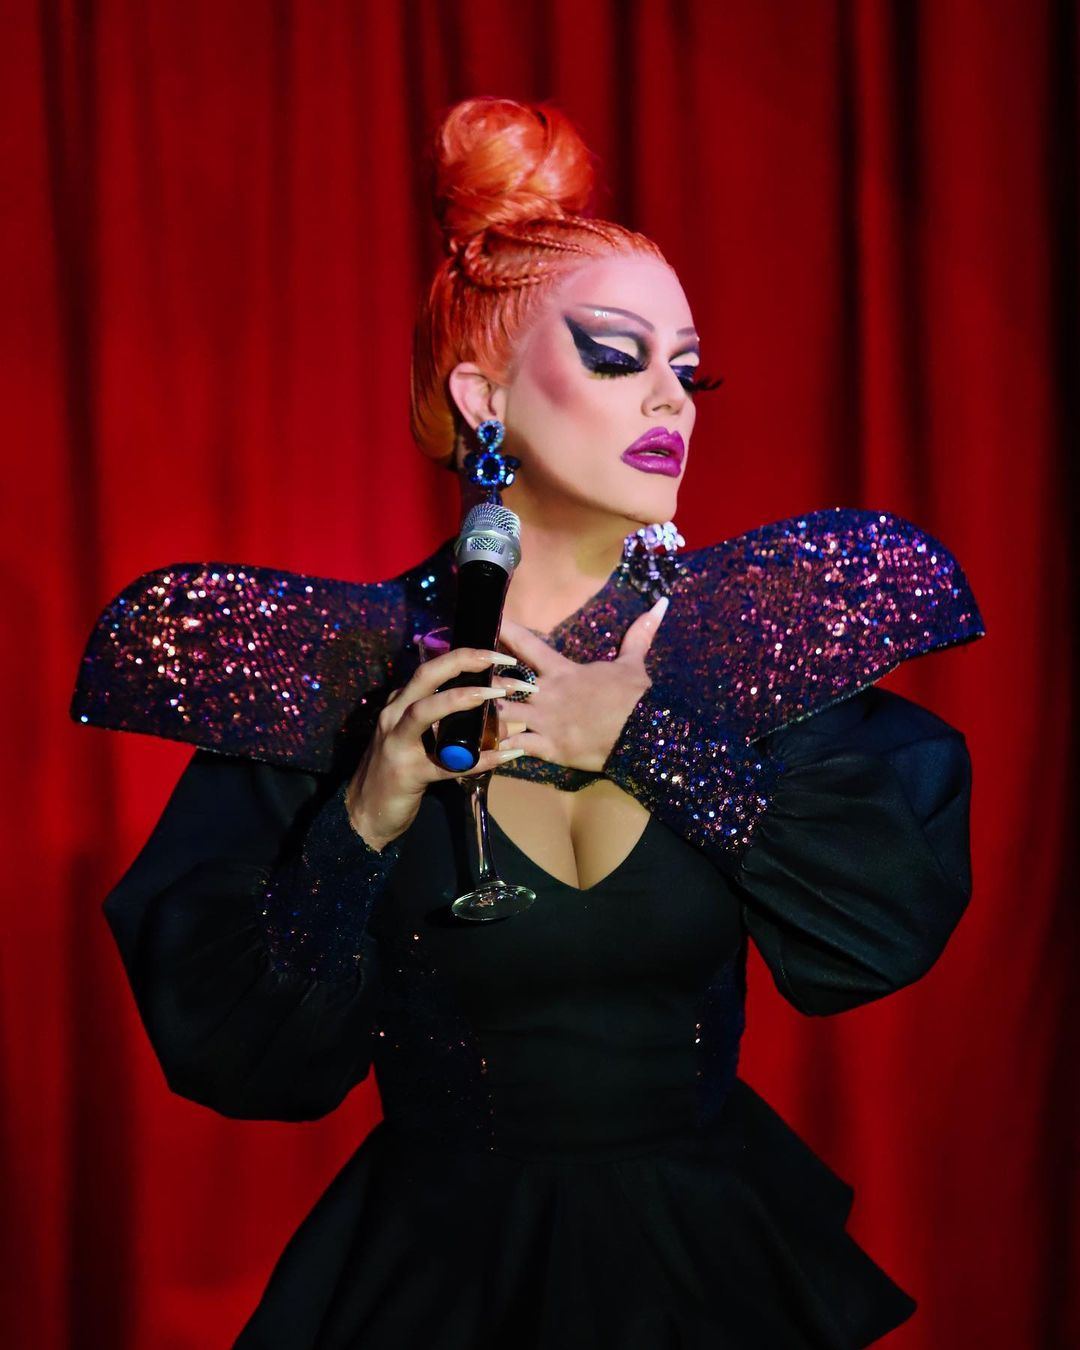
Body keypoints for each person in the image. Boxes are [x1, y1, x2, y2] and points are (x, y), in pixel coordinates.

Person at [73, 97, 985, 1348]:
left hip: (709, 1277)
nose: (671, 400)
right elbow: (244, 1060)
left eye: (688, 369)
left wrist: (648, 742)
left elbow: (883, 931)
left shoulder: (745, 646)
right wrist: (361, 821)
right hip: (441, 1291)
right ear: (483, 396)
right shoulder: (349, 678)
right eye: (618, 357)